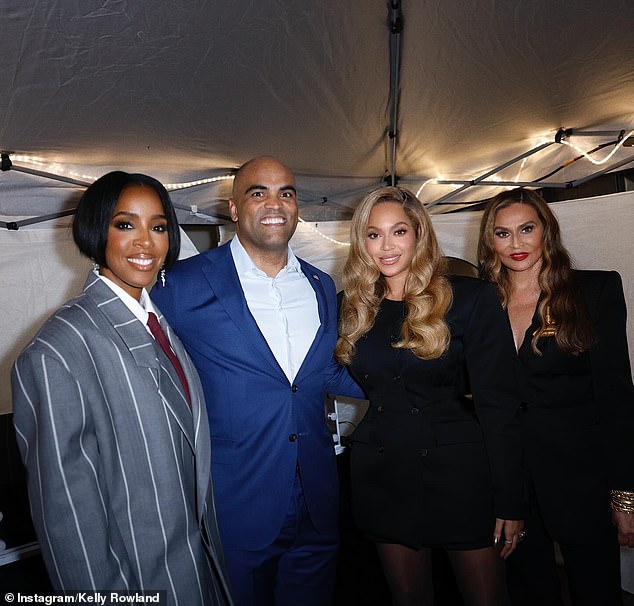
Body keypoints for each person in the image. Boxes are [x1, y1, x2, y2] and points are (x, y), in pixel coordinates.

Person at [11, 171, 233, 605]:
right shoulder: (56, 351)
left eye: (159, 227)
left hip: (199, 570)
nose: (146, 243)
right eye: (126, 224)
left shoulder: (158, 323)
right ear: (97, 230)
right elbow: (69, 521)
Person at [151, 156, 364, 606]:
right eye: (258, 192)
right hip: (236, 502)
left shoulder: (322, 284)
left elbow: (322, 371)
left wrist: (410, 380)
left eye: (286, 192)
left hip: (318, 498)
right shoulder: (179, 283)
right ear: (233, 208)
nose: (275, 203)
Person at [335, 186, 525, 606]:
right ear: (361, 242)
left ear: (419, 234)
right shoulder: (349, 307)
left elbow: (500, 405)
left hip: (461, 476)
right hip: (384, 475)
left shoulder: (470, 298)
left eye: (398, 231)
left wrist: (511, 500)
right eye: (373, 234)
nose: (386, 246)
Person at [477, 188, 634, 606]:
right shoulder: (478, 304)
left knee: (597, 592)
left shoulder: (593, 292)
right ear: (489, 241)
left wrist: (625, 495)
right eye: (503, 233)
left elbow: (617, 399)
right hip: (508, 484)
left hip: (581, 479)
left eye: (527, 229)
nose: (516, 244)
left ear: (547, 230)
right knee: (528, 592)